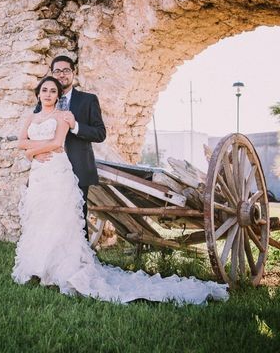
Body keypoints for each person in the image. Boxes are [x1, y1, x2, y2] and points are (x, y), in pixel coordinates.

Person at [12, 76, 229, 304]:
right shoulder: (31, 117)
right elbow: (20, 142)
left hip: (57, 172)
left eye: (52, 91)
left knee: (59, 218)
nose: (48, 94)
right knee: (40, 216)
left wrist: (31, 150)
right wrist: (30, 153)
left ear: (58, 96)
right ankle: (38, 266)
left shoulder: (63, 116)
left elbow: (57, 144)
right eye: (44, 90)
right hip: (38, 174)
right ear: (38, 94)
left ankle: (61, 269)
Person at [31, 55, 105, 239]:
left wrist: (76, 125)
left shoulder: (88, 100)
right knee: (49, 216)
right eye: (57, 71)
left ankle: (81, 262)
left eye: (66, 70)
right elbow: (33, 133)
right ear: (52, 73)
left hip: (78, 167)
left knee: (77, 218)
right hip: (49, 169)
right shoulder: (43, 101)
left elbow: (100, 133)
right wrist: (34, 155)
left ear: (74, 73)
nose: (62, 74)